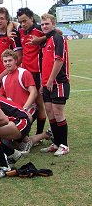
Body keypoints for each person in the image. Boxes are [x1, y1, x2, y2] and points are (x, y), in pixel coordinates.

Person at [0, 49, 51, 153]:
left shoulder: (23, 73)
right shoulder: (5, 78)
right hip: (15, 113)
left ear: (15, 60)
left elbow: (33, 93)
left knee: (15, 138)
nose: (7, 63)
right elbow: (3, 100)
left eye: (10, 60)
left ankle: (28, 140)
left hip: (28, 110)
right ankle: (44, 135)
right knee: (10, 142)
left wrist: (24, 109)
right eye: (5, 61)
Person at [40, 13, 70, 156]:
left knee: (58, 112)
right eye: (43, 24)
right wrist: (43, 83)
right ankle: (56, 143)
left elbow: (59, 60)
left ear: (53, 24)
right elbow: (44, 64)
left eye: (47, 24)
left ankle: (64, 145)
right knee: (50, 112)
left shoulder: (58, 38)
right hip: (46, 84)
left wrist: (51, 79)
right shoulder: (45, 41)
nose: (44, 26)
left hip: (58, 82)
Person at [16, 7, 47, 136]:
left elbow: (58, 33)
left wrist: (39, 40)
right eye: (20, 22)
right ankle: (25, 131)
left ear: (31, 18)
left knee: (39, 103)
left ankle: (39, 134)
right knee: (26, 102)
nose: (23, 24)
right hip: (25, 73)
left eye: (25, 21)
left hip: (37, 73)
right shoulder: (21, 31)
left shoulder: (39, 29)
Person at [0, 7, 22, 79]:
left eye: (2, 18)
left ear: (7, 20)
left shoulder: (13, 34)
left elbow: (19, 58)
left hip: (11, 74)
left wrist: (4, 73)